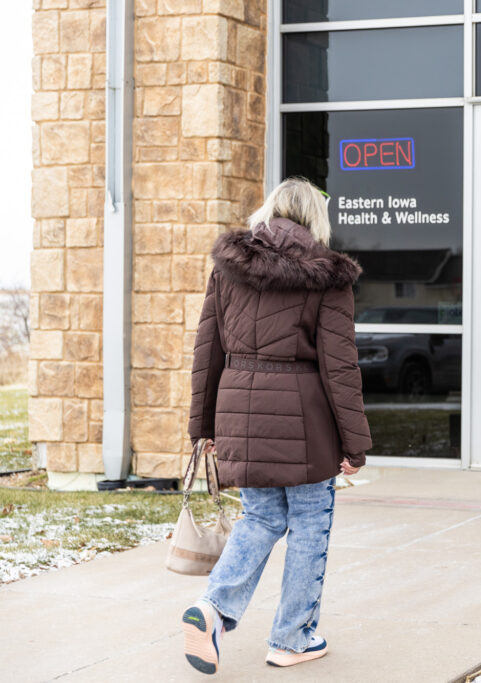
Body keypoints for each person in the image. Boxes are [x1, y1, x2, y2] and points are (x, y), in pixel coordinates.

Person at [181, 177, 371, 674]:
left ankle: (214, 609)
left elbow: (209, 350)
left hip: (238, 412)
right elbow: (340, 367)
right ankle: (292, 637)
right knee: (310, 522)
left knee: (262, 518)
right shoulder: (327, 275)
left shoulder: (229, 268)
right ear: (315, 220)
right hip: (306, 424)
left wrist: (202, 425)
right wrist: (355, 443)